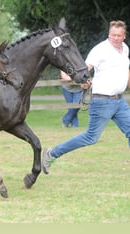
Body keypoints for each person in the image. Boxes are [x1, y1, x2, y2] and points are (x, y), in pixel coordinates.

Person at [42, 20, 130, 174]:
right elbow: (84, 67)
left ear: (124, 36)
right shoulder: (100, 50)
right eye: (112, 35)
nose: (115, 38)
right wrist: (67, 73)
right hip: (102, 101)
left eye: (119, 35)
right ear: (109, 34)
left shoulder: (125, 49)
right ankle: (52, 153)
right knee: (91, 137)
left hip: (119, 101)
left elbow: (125, 70)